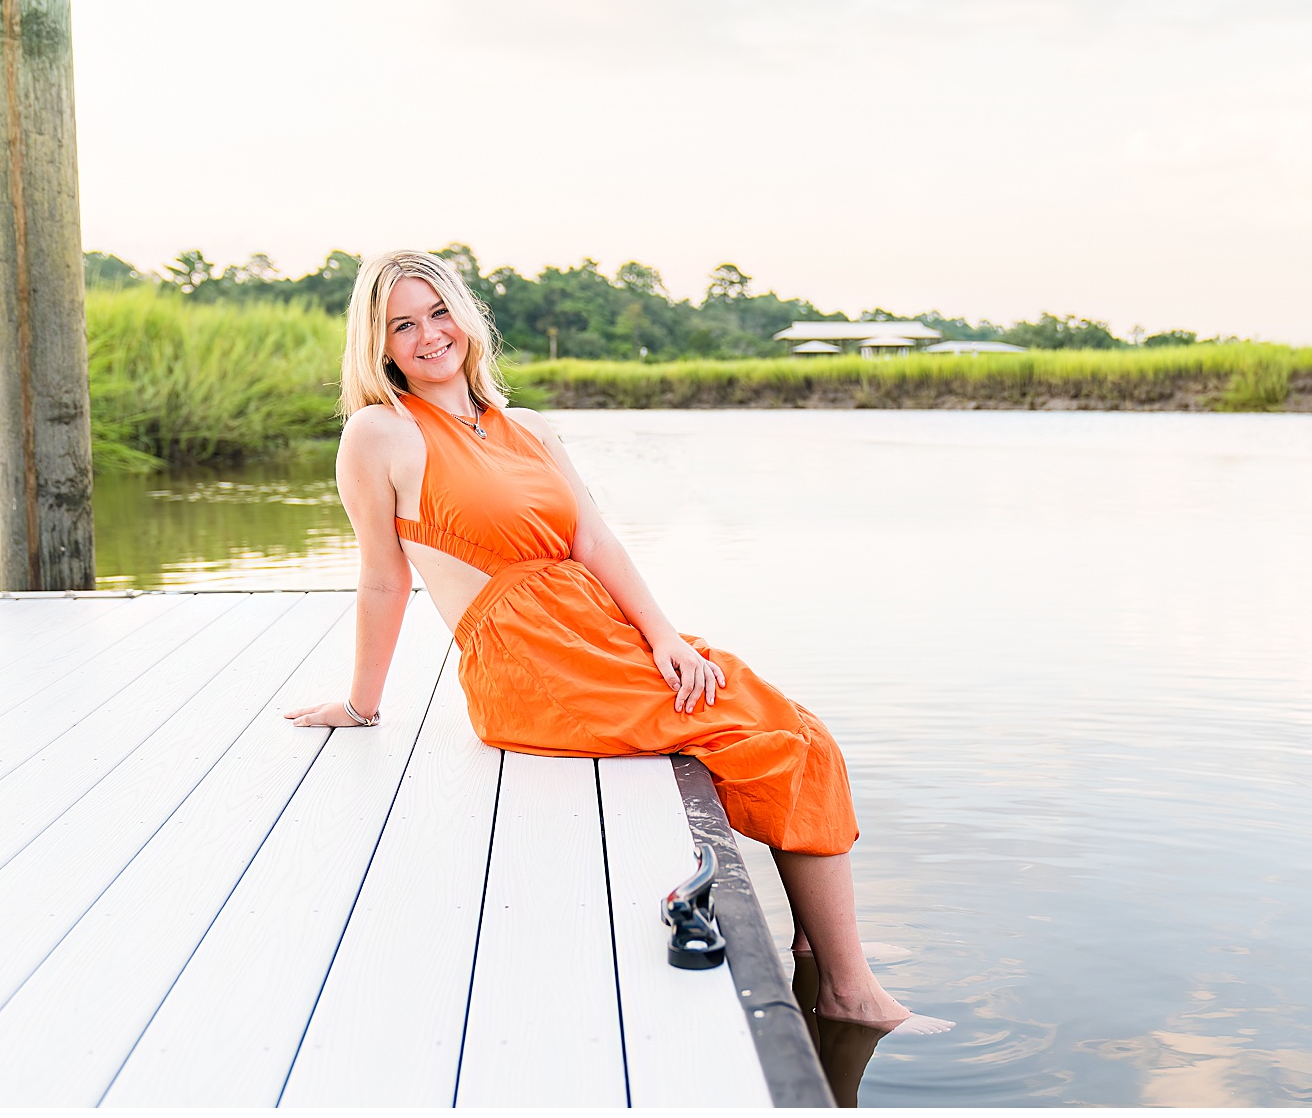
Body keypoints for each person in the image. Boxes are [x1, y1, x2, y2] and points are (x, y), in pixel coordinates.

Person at [283, 249, 949, 1035]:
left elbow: (595, 542)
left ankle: (816, 940)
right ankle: (848, 992)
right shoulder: (378, 433)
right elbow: (383, 579)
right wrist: (362, 704)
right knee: (768, 742)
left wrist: (665, 637)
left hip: (596, 632)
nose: (430, 335)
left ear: (466, 317)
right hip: (528, 665)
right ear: (379, 343)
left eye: (439, 312)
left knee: (795, 725)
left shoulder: (528, 427)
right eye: (403, 323)